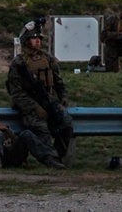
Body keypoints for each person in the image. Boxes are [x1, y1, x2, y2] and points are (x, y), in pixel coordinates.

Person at [6, 22, 73, 166]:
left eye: (39, 38)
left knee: (66, 124)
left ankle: (58, 156)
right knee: (42, 129)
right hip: (29, 106)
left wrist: (63, 97)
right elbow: (16, 93)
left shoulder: (47, 58)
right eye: (33, 38)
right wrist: (35, 107)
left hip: (49, 100)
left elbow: (58, 80)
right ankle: (50, 159)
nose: (38, 41)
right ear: (25, 41)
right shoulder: (18, 63)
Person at [0, 95, 65, 169]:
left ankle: (49, 159)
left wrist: (6, 130)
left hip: (7, 156)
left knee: (26, 134)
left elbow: (16, 142)